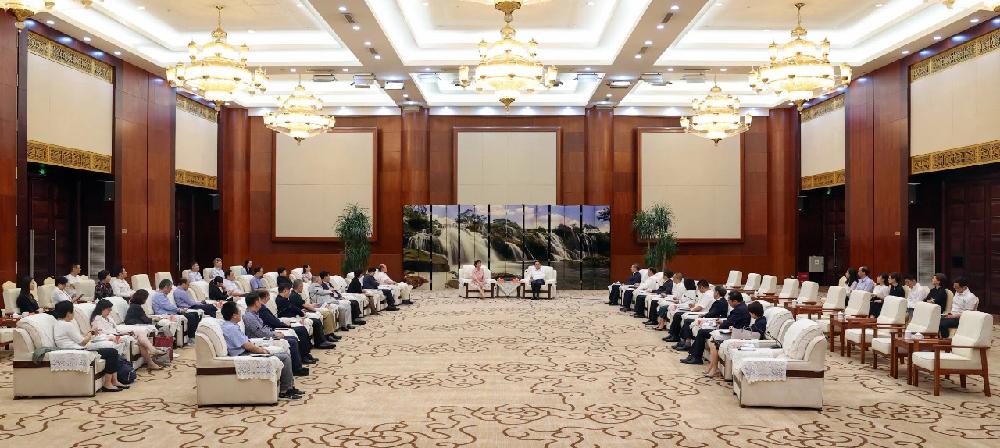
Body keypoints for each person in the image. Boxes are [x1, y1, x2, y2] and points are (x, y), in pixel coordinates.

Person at [219, 301, 303, 400]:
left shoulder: (231, 326)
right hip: (242, 355)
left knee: (285, 354)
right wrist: (262, 350)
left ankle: (289, 387)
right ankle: (285, 391)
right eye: (239, 311)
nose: (240, 313)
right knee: (284, 357)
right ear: (234, 315)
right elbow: (247, 345)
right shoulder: (231, 329)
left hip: (245, 352)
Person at [52, 301, 127, 392]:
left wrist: (91, 332)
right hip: (78, 350)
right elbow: (83, 342)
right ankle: (108, 384)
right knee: (112, 352)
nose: (73, 314)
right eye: (73, 312)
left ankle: (114, 381)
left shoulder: (59, 323)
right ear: (68, 313)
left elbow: (80, 339)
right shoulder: (67, 325)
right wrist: (91, 332)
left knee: (111, 351)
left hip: (76, 348)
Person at [242, 294, 310, 376]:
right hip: (260, 340)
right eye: (259, 301)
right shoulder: (249, 317)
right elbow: (261, 333)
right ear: (256, 303)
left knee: (293, 338)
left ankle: (296, 366)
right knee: (292, 341)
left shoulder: (254, 314)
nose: (261, 303)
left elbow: (263, 328)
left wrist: (274, 332)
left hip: (266, 335)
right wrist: (275, 334)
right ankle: (296, 369)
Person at [90, 299, 163, 371]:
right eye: (108, 310)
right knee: (140, 341)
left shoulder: (108, 318)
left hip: (117, 334)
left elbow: (116, 330)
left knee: (139, 334)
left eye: (110, 310)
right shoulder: (97, 320)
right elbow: (100, 334)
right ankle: (152, 354)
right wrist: (114, 336)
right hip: (111, 337)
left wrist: (125, 333)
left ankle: (151, 360)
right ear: (102, 309)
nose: (110, 312)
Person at [682, 291, 750, 365]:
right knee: (702, 331)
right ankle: (693, 355)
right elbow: (731, 321)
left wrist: (719, 325)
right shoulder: (741, 307)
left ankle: (696, 357)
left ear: (735, 301)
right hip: (730, 328)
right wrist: (722, 321)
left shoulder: (739, 310)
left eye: (729, 301)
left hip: (733, 332)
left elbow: (729, 323)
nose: (729, 303)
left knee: (702, 332)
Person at [705, 301, 766, 378]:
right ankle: (712, 367)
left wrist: (736, 331)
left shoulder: (761, 322)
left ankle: (713, 368)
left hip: (748, 342)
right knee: (713, 343)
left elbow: (754, 334)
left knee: (714, 344)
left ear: (753, 313)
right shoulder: (759, 320)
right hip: (744, 339)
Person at [255, 291, 318, 365]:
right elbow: (274, 322)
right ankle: (304, 356)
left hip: (278, 324)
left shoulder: (263, 307)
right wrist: (286, 325)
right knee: (301, 330)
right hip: (275, 328)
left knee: (302, 329)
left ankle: (306, 354)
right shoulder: (262, 309)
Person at [275, 285, 335, 349]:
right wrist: (301, 313)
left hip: (295, 316)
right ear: (285, 291)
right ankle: (320, 343)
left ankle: (321, 341)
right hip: (289, 318)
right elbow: (292, 308)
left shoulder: (284, 299)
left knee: (316, 321)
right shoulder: (280, 300)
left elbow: (293, 308)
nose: (289, 293)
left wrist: (301, 311)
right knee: (316, 322)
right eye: (288, 291)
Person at [151, 279, 200, 343]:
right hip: (165, 315)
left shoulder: (162, 295)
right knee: (191, 316)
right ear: (165, 287)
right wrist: (179, 309)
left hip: (171, 313)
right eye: (170, 288)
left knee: (195, 314)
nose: (171, 290)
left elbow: (168, 306)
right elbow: (168, 306)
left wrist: (179, 310)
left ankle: (193, 335)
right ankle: (191, 338)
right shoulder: (159, 295)